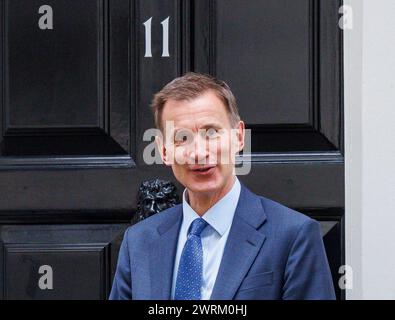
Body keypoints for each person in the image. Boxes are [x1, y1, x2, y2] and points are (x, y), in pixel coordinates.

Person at [109, 72, 336, 300]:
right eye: (182, 138)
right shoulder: (138, 242)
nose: (199, 152)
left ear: (238, 137)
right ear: (164, 150)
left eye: (211, 133)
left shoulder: (294, 235)